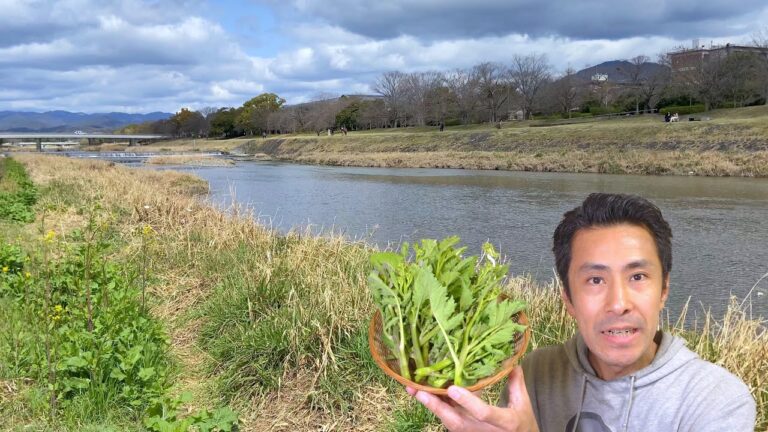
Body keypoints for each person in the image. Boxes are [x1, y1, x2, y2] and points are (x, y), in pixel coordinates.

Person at [407, 193, 756, 431]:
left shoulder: (717, 401)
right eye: (594, 280)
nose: (618, 302)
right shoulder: (533, 374)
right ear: (567, 300)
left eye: (637, 276)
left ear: (664, 289)